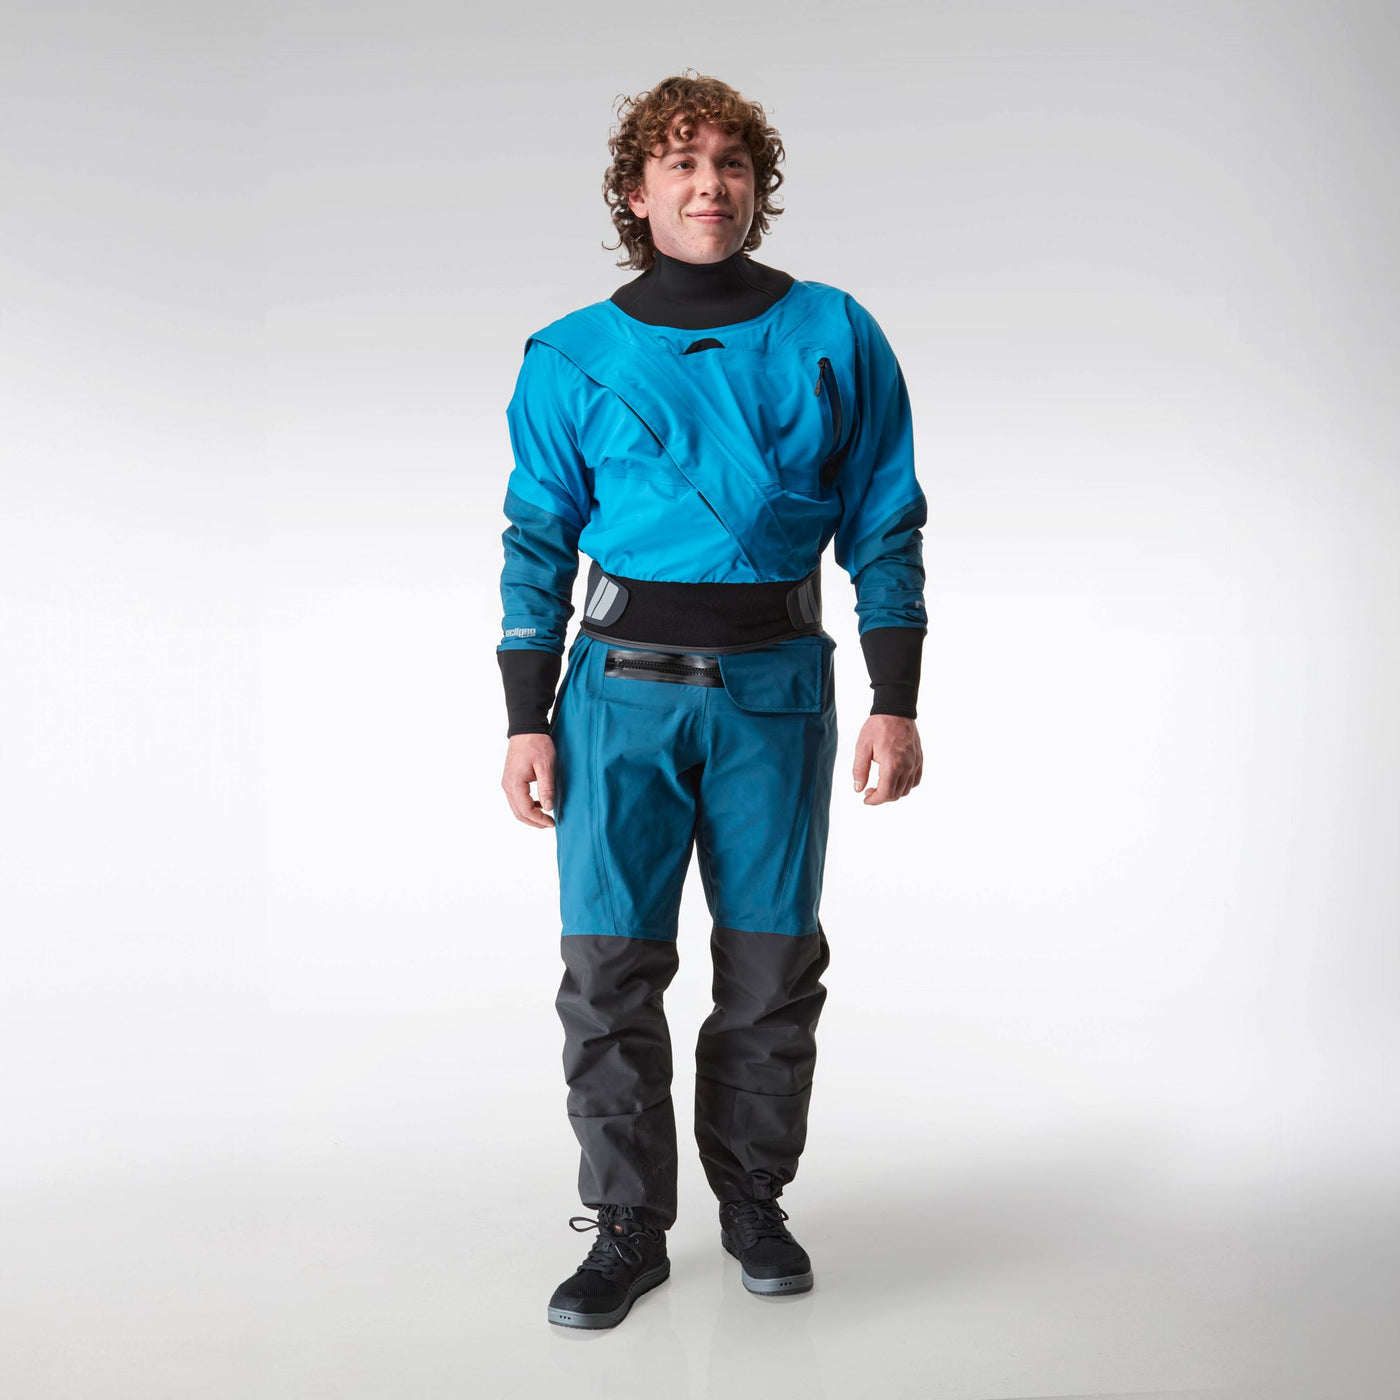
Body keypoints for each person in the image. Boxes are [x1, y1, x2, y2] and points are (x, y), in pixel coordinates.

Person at [496, 72, 927, 1330]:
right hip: (615, 699)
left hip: (776, 693)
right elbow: (535, 540)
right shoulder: (570, 355)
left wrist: (894, 696)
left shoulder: (833, 332)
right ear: (636, 193)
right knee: (607, 972)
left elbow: (885, 520)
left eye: (730, 162)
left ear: (756, 186)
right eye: (679, 163)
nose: (708, 185)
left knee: (771, 968)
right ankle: (627, 1222)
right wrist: (524, 714)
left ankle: (752, 1200)